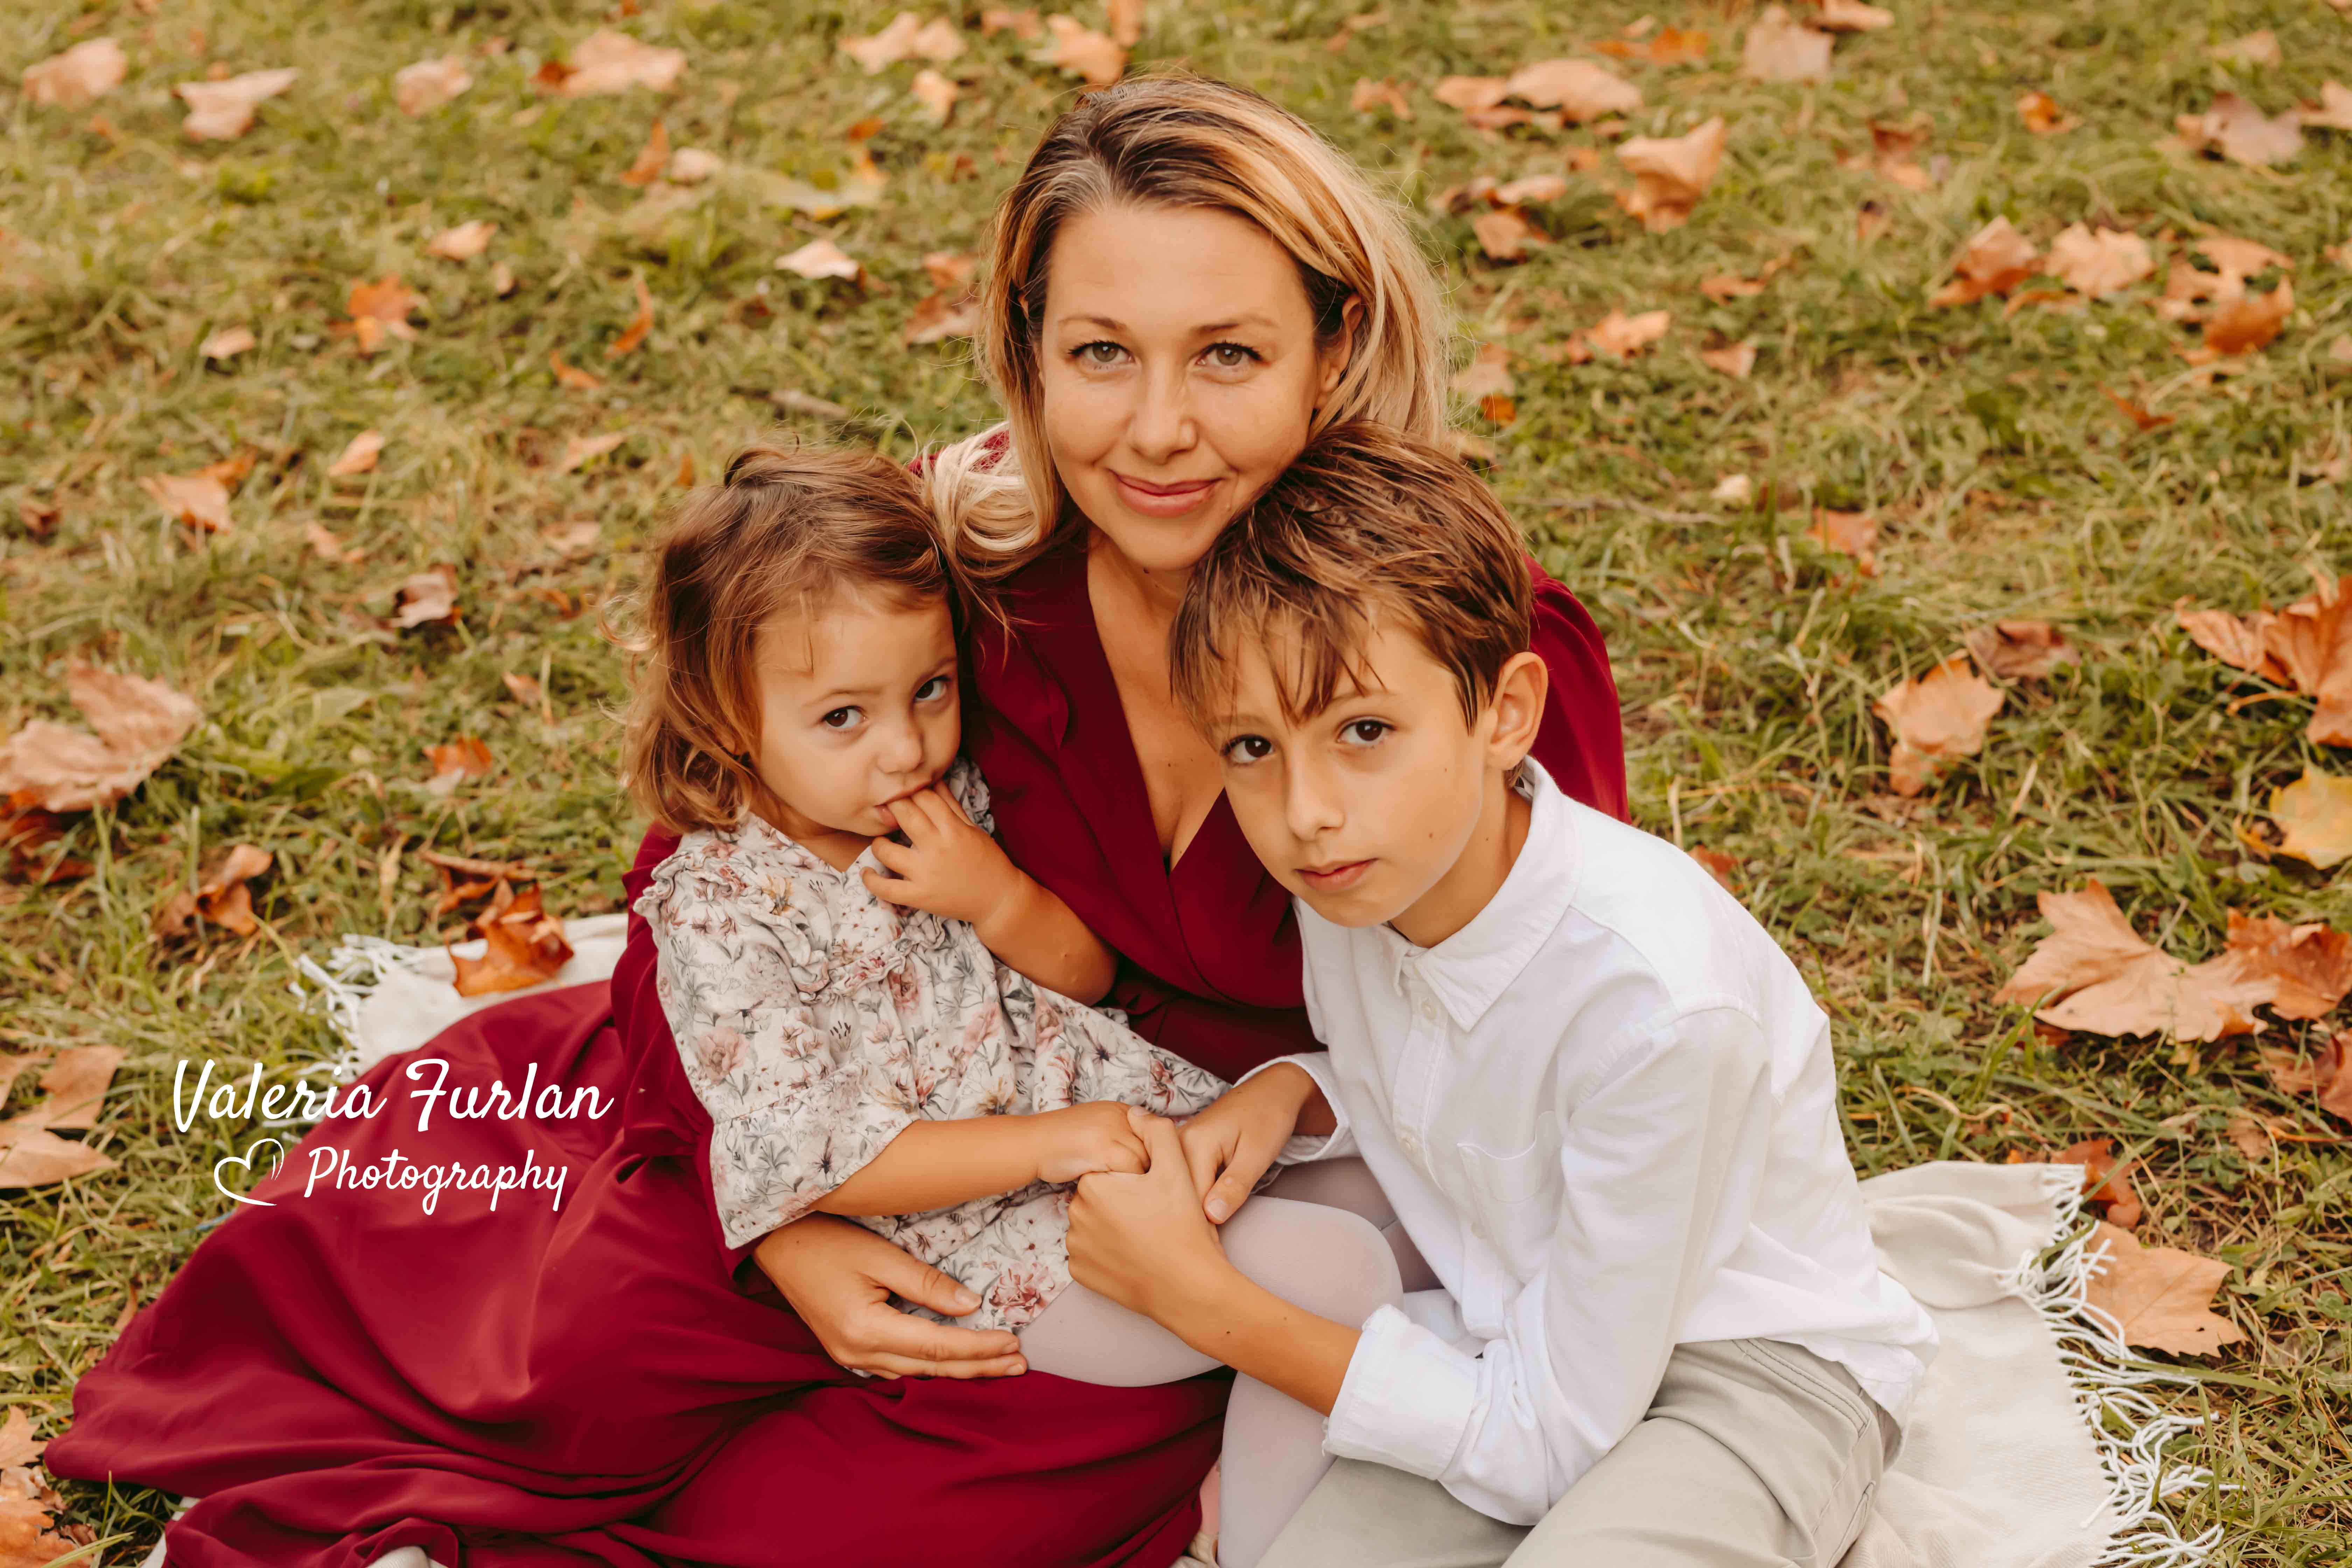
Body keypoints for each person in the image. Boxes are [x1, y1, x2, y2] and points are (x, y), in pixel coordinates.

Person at [48, 74, 1629, 1568]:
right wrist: (787, 1221)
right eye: (1099, 355)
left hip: (1208, 1196)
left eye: (1227, 355)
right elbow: (699, 879)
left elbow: (1537, 1038)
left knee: (835, 1521)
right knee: (573, 1354)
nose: (1156, 431)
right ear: (1026, 350)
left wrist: (1273, 1144)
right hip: (896, 1093)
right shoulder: (977, 586)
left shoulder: (1460, 654)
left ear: (1332, 351)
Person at [1065, 424, 1939, 1568]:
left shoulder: (1658, 1010)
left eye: (1363, 731)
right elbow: (1461, 1088)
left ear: (1505, 712)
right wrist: (1299, 1091)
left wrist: (1206, 1306)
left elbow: (1549, 1443)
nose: (1304, 809)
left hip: (1743, 1374)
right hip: (1505, 1328)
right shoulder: (1367, 889)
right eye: (1251, 746)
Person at [625, 441, 1407, 1558]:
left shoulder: (942, 804)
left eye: (931, 690)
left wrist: (993, 896)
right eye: (843, 718)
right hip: (982, 1238)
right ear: (723, 716)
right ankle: (1260, 1544)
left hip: (1114, 1121)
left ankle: (1247, 1484)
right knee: (1339, 1275)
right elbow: (820, 1164)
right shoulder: (722, 917)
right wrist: (1052, 1144)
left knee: (1390, 1186)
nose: (906, 747)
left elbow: (1085, 974)